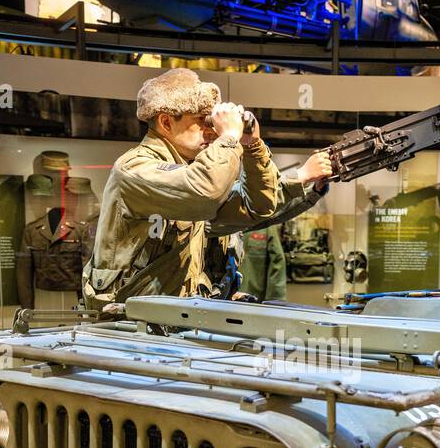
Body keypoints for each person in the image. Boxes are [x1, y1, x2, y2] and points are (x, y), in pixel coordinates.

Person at [83, 67, 330, 314]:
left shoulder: (193, 169)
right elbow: (204, 193)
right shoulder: (134, 168)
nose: (211, 131)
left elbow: (257, 207)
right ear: (166, 121)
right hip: (127, 327)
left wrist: (252, 146)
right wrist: (230, 136)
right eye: (201, 121)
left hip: (172, 320)